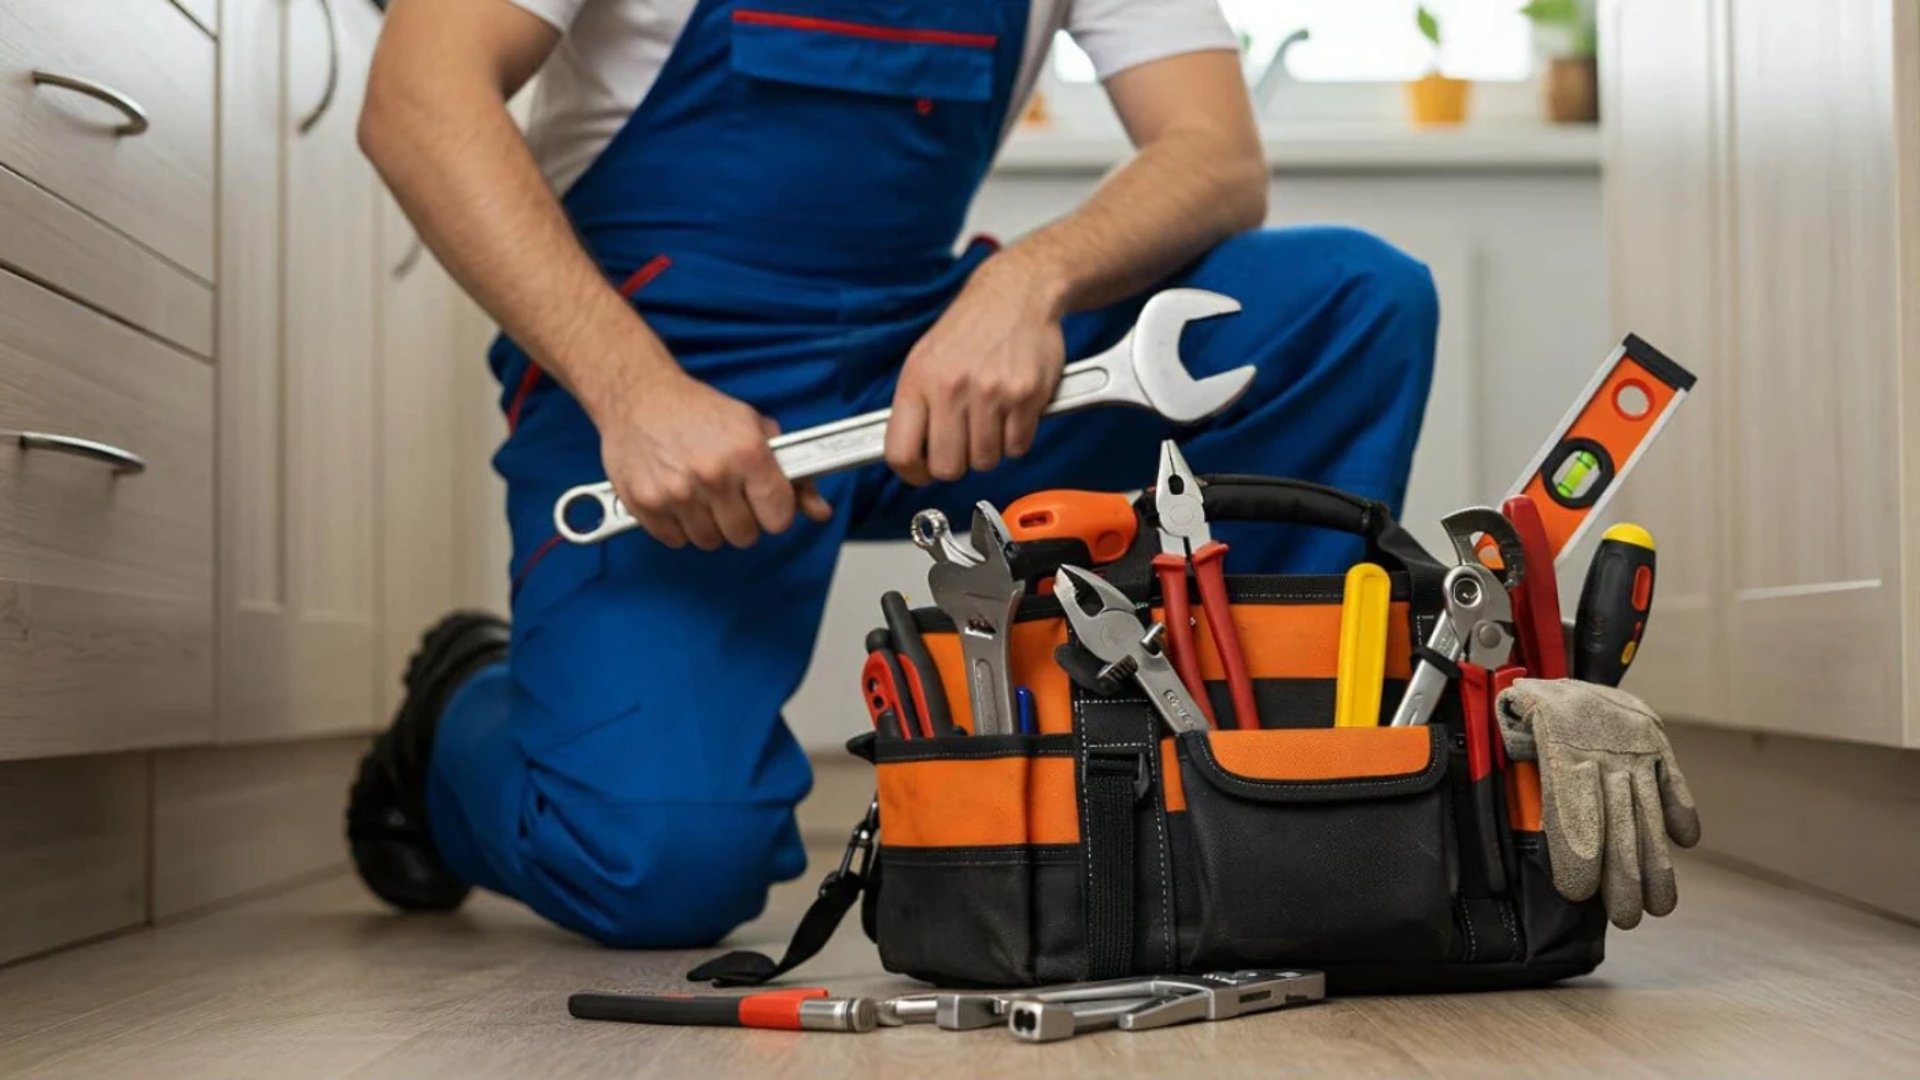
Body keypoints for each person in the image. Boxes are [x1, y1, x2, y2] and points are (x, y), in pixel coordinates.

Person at [347, 0, 1439, 947]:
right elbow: (417, 97)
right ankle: (452, 720)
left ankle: (1236, 797)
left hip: (924, 357)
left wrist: (1028, 285)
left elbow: (1216, 153)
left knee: (1352, 302)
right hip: (656, 367)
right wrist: (633, 391)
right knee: (657, 863)